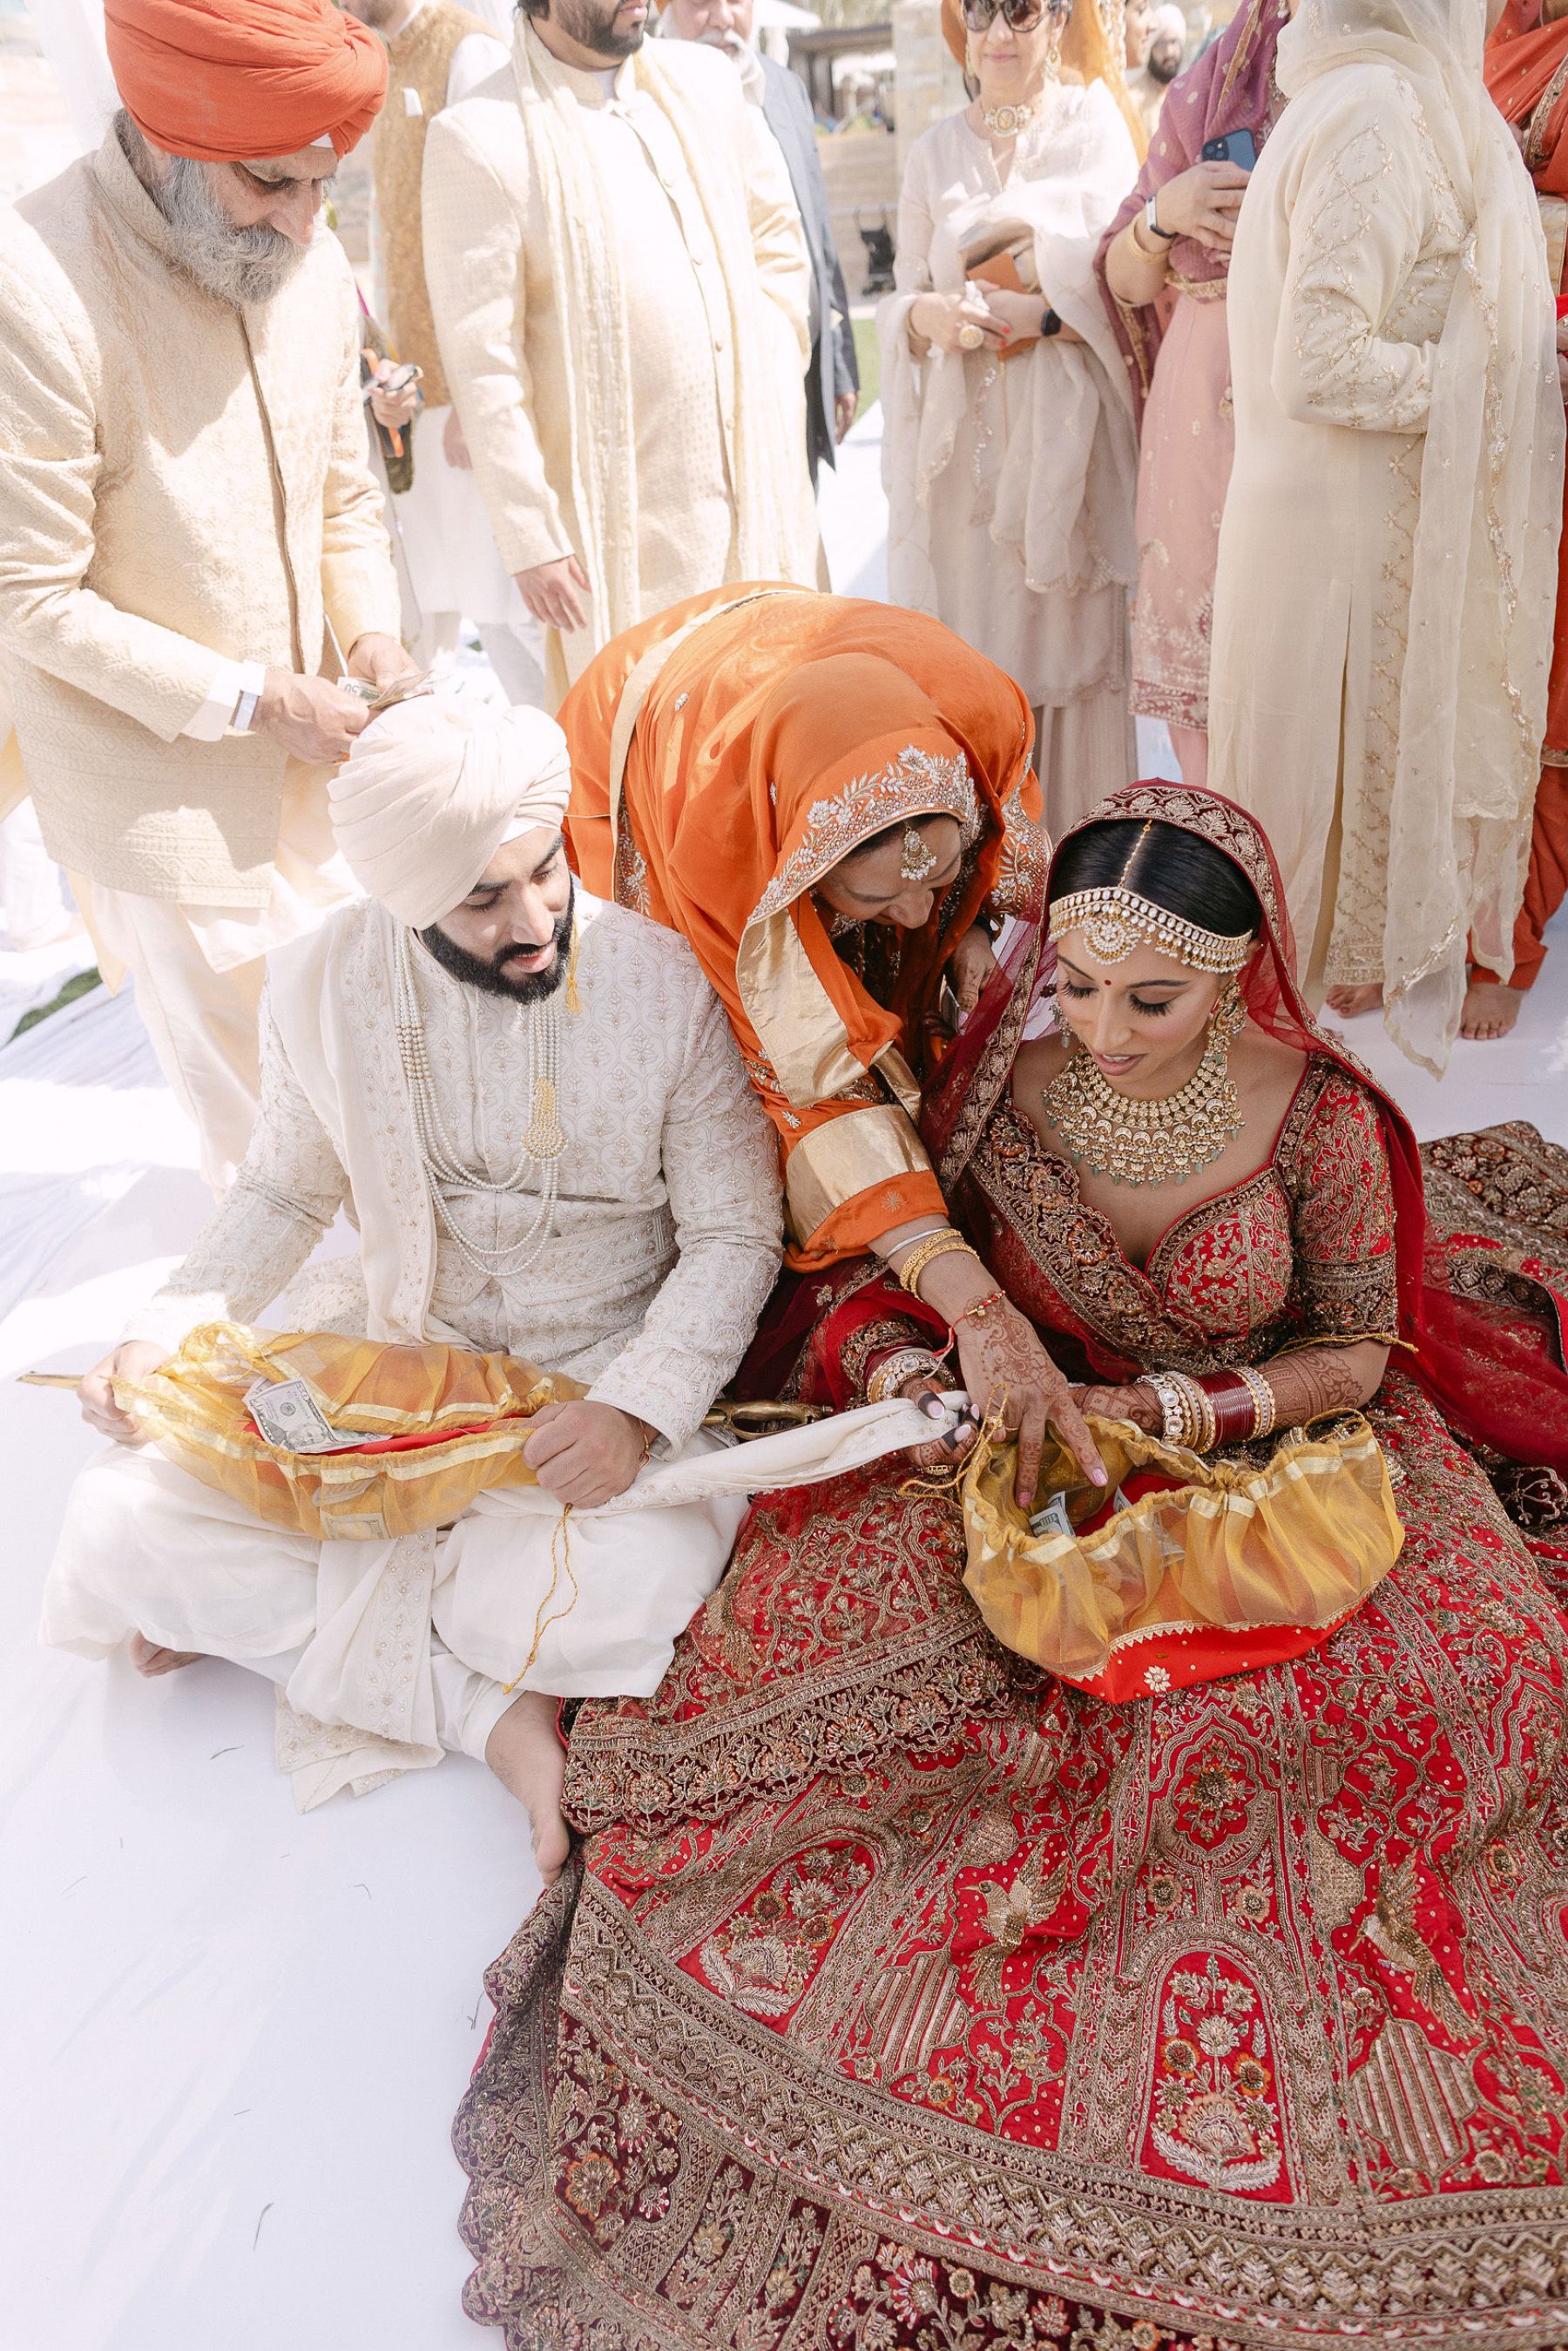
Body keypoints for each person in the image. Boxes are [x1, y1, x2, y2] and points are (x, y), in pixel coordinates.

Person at [450, 781, 1568, 2348]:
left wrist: (1179, 1407)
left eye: (1154, 996)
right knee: (832, 1716)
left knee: (1468, 1686)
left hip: (1274, 1466)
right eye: (1084, 982)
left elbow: (1360, 1349)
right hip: (1039, 1462)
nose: (1104, 1025)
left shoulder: (1315, 1114)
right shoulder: (1014, 1084)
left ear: (1242, 973)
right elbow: (901, 1281)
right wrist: (934, 1382)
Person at [42, 695, 785, 1878]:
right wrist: (164, 1329)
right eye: (483, 899)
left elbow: (739, 1231)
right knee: (120, 1518)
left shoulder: (656, 982)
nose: (536, 920)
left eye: (547, 872)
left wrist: (636, 1409)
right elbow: (284, 1192)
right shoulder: (325, 985)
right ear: (401, 896)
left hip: (582, 1390)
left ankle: (311, 1622)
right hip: (396, 1370)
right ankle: (493, 1717)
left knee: (627, 1593)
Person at [561, 580, 1123, 1490]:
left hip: (829, 677)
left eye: (931, 878)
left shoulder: (973, 715)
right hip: (662, 716)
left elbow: (973, 846)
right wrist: (980, 1311)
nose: (910, 912)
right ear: (794, 873)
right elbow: (813, 1088)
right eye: (873, 896)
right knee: (734, 1085)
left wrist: (967, 920)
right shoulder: (723, 868)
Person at [0, 0, 415, 1193]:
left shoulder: (310, 247)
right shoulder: (35, 284)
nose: (299, 221)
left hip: (313, 760)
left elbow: (345, 493)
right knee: (267, 1146)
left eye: (321, 189)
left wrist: (374, 638)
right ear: (171, 134)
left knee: (377, 1071)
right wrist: (250, 700)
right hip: (155, 794)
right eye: (268, 186)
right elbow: (30, 598)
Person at [1208, 0, 1564, 1070]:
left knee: (1311, 923)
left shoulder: (1364, 94)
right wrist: (1505, 380)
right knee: (1299, 914)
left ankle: (1307, 1156)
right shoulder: (1377, 111)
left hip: (1349, 544)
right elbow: (1320, 361)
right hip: (1339, 566)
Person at [420, 0, 821, 707]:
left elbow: (778, 240)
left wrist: (767, 371)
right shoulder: (480, 136)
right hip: (627, 542)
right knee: (654, 759)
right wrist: (531, 538)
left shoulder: (705, 82)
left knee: (787, 735)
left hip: (759, 494)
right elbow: (486, 364)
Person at [877, 0, 1141, 836]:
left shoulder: (1096, 129)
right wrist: (928, 318)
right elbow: (904, 293)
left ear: (1060, 20)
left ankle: (1078, 915)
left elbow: (1130, 292)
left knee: (1071, 670)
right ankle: (985, 926)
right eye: (983, 11)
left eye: (1021, 13)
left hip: (1067, 464)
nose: (998, 33)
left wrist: (1049, 319)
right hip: (966, 471)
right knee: (975, 680)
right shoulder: (932, 153)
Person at [1097, 0, 1292, 791]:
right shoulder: (1219, 76)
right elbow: (1120, 274)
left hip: (1312, 414)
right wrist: (1163, 214)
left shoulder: (1395, 55)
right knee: (1208, 725)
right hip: (1200, 430)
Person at [341, 0, 548, 708]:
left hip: (467, 404)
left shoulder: (469, 53)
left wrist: (474, 396)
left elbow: (499, 239)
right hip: (414, 401)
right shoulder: (386, 57)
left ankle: (572, 787)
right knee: (433, 609)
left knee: (512, 614)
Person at [1463, 0, 1568, 1037]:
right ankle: (1491, 922)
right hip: (1486, 380)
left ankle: (1513, 935)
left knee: (1552, 662)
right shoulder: (1491, 30)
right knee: (1498, 656)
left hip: (1553, 367)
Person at [658, 0, 861, 486]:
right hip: (692, 400)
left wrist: (838, 361)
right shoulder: (637, 93)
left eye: (738, 2)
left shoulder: (784, 87)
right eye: (701, 3)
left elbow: (817, 233)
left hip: (794, 381)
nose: (724, 18)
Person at [1126, 0, 1186, 134]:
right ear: (1149, 48)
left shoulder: (1187, 94)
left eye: (1174, 42)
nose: (1169, 52)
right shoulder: (1132, 98)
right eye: (1162, 44)